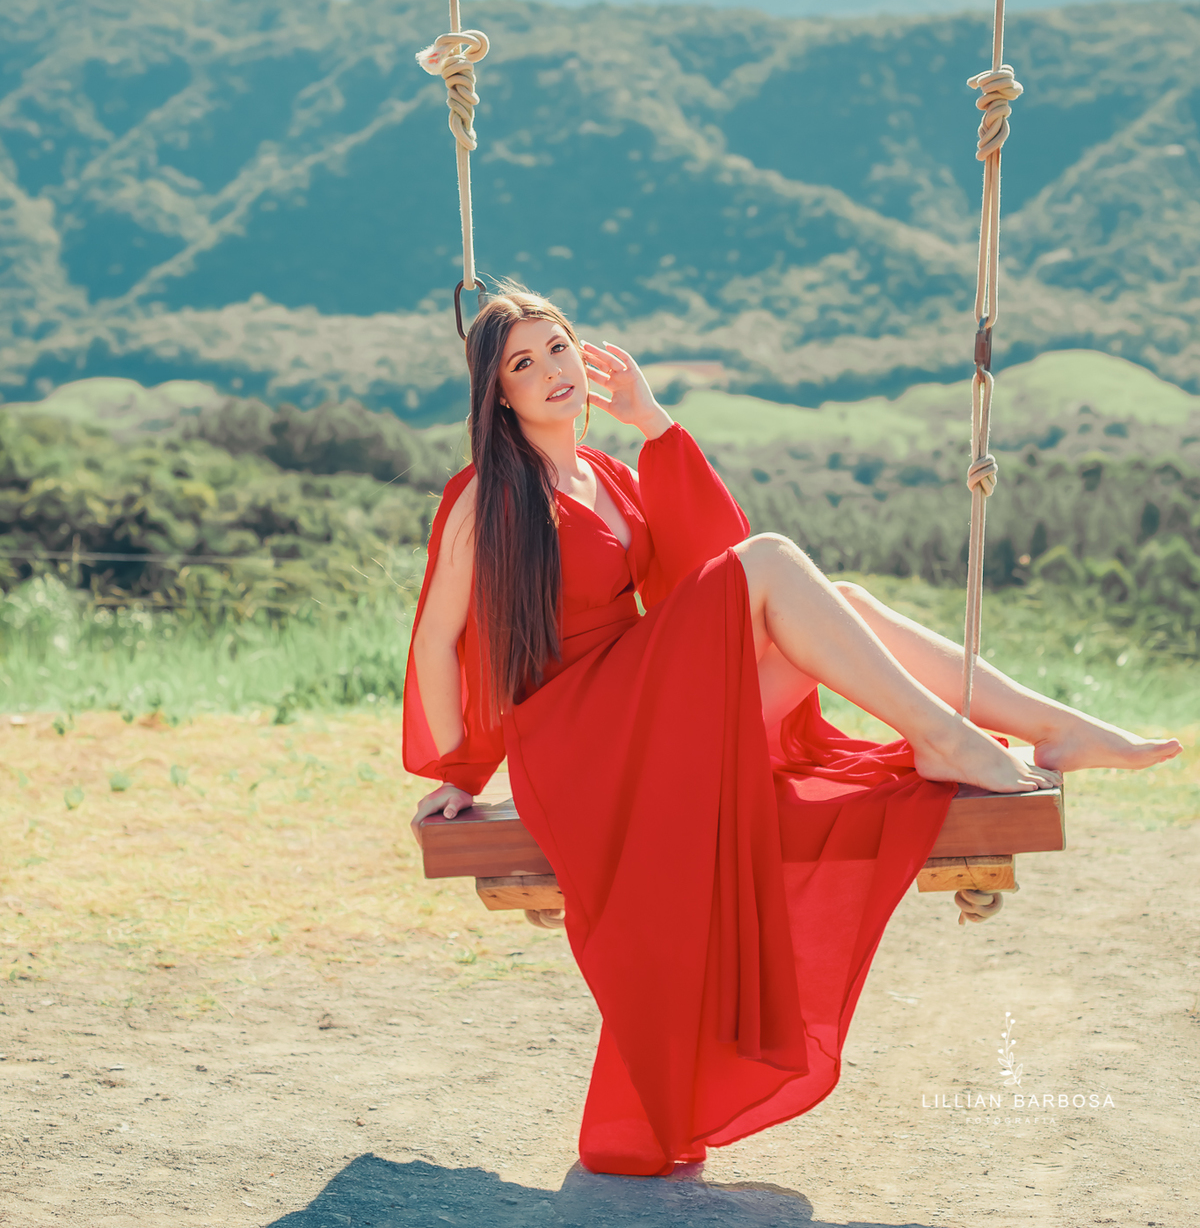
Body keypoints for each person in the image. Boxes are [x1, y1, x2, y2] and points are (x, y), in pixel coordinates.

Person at [403, 285, 1180, 1178]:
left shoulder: (609, 476)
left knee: (839, 601)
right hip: (583, 741)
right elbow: (438, 638)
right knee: (773, 561)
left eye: (558, 347)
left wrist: (655, 426)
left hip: (646, 708)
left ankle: (1054, 727)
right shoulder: (484, 496)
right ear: (499, 394)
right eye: (523, 363)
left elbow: (704, 562)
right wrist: (461, 770)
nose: (551, 370)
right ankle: (951, 739)